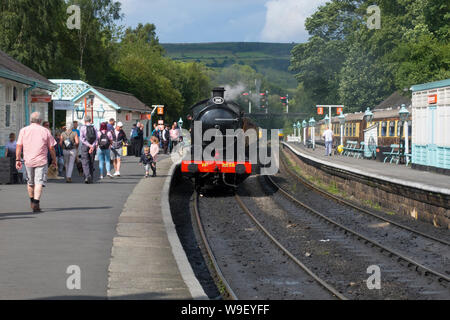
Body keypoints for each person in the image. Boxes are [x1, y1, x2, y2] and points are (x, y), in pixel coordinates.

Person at [15, 112, 57, 213]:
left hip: (28, 160)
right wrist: (54, 160)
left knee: (30, 182)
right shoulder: (45, 131)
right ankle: (36, 203)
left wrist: (17, 159)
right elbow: (51, 147)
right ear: (40, 121)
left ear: (31, 120)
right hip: (41, 160)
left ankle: (31, 201)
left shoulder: (23, 130)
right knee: (39, 182)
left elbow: (19, 146)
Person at [79, 116, 98, 184]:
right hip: (93, 146)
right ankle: (91, 178)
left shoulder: (82, 128)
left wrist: (88, 145)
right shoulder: (94, 127)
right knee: (91, 161)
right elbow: (96, 138)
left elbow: (82, 138)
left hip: (85, 146)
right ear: (90, 120)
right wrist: (92, 146)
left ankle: (87, 176)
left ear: (84, 121)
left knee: (85, 162)